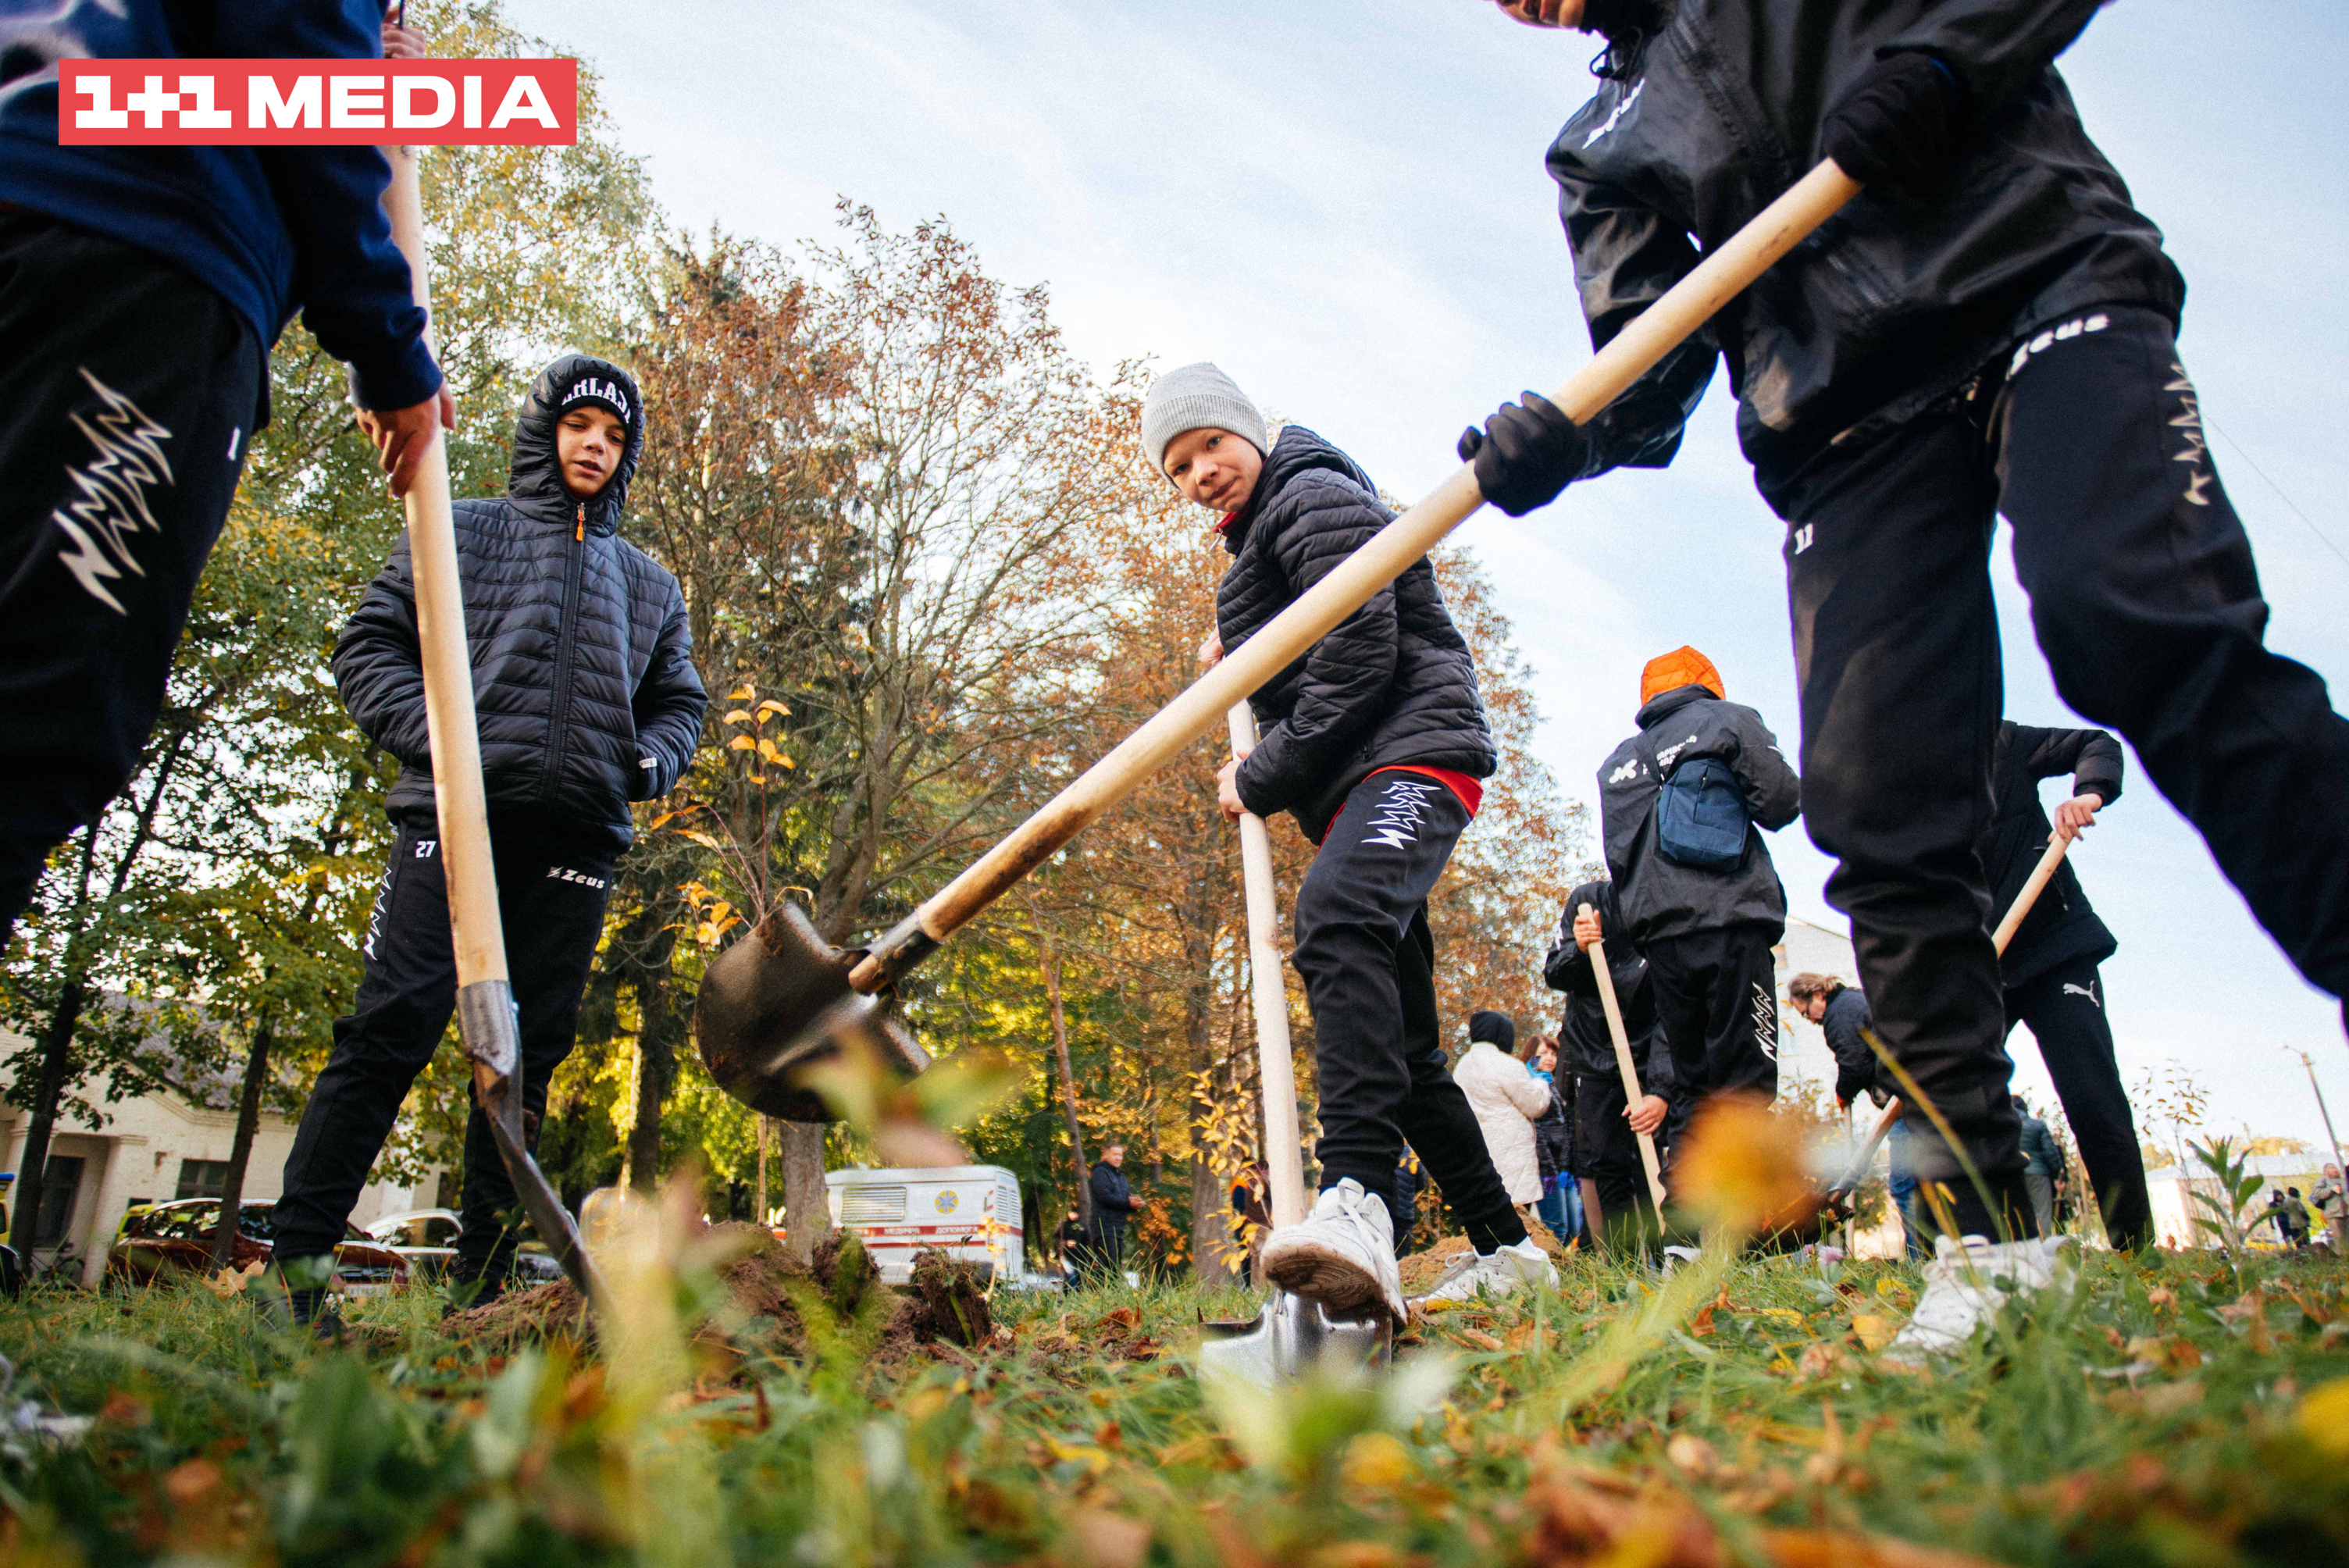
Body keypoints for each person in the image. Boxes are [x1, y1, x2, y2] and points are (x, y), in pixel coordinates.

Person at [1464, 1, 2349, 1271]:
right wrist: (1571, 432)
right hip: (1841, 419)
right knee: (1877, 796)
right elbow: (1648, 363)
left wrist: (1944, 61)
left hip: (2032, 270)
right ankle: (1982, 1241)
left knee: (2131, 622)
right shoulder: (1600, 142)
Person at [0, 0, 450, 955]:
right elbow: (299, 56)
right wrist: (388, 349)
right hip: (134, 257)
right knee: (38, 706)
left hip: (49, 177)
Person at [272, 355, 707, 1316]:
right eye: (579, 426)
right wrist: (439, 741)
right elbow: (368, 646)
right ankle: (293, 1280)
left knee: (525, 1059)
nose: (594, 446)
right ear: (544, 432)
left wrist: (645, 763)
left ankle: (481, 1294)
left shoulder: (650, 585)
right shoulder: (457, 528)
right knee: (389, 1031)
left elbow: (680, 701)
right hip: (455, 824)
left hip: (576, 842)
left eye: (615, 436)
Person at [1148, 362, 1552, 1322]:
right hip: (1361, 781)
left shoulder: (1310, 494)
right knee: (1405, 1053)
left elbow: (1360, 646)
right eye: (1178, 466)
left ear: (1250, 430)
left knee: (1333, 914)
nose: (1200, 472)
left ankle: (1358, 1195)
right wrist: (1245, 649)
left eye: (1211, 444)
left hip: (1411, 756)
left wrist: (1260, 773)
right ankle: (1507, 1250)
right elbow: (1308, 634)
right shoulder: (1264, 538)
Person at [1593, 647, 1799, 1109]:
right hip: (1729, 920)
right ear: (1707, 683)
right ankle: (1744, 1159)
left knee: (1694, 1090)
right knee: (1745, 1082)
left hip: (1659, 937)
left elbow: (1619, 860)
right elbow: (1780, 801)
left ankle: (1692, 1160)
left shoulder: (1617, 763)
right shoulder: (1726, 720)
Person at [1977, 722, 2152, 1249]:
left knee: (2092, 1097)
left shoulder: (1999, 742)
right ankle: (2013, 1250)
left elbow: (2096, 744)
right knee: (1967, 1104)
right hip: (1981, 970)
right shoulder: (1906, 791)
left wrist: (2088, 793)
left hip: (2056, 951)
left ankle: (2135, 1245)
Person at [1544, 878, 1678, 1253]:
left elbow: (1674, 1012)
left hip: (1649, 1053)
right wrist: (1579, 948)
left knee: (1651, 1159)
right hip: (1594, 1052)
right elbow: (1555, 973)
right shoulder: (1587, 902)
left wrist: (1661, 1092)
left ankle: (1666, 1256)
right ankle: (1625, 1266)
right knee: (1606, 1161)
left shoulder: (1665, 904)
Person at [1789, 971, 1925, 1260]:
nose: (1810, 1020)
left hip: (1907, 1103)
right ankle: (1930, 1256)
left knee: (1905, 1185)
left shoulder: (1838, 1013)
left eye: (1806, 1012)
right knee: (1924, 1182)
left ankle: (1921, 1261)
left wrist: (1843, 1092)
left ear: (1817, 994)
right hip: (1915, 1096)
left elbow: (1853, 1062)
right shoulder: (1854, 1000)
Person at [1453, 1011, 1552, 1217]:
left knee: (1488, 1216)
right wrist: (1540, 1082)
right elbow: (1536, 1105)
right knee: (1519, 1217)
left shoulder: (1462, 1066)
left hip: (1478, 1153)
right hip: (1512, 1155)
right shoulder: (1507, 1064)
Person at [1527, 1036, 1581, 1243]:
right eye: (1543, 1054)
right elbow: (1537, 1132)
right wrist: (1549, 1170)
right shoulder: (1532, 1085)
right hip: (1546, 1168)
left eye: (1553, 1054)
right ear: (1531, 1056)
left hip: (1562, 1166)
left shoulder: (1552, 1085)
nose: (1550, 1058)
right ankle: (1549, 1264)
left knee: (1574, 1229)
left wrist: (1568, 1167)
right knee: (1557, 1229)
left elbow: (1564, 1129)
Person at [1086, 1142, 1135, 1282]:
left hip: (1118, 1227)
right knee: (1108, 1266)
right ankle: (1101, 1293)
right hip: (1104, 1226)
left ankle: (1112, 1293)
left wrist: (1134, 1204)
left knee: (1116, 1267)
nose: (1118, 1158)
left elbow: (1125, 1199)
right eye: (1115, 1154)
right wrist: (1128, 1203)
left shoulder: (1121, 1176)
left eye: (1120, 1155)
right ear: (1105, 1154)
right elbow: (1105, 1197)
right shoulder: (1100, 1173)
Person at [2014, 1097, 2062, 1238]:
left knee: (2018, 1214)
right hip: (2038, 1174)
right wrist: (2058, 1175)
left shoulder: (2004, 1126)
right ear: (2025, 1109)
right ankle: (2043, 1246)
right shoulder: (2038, 1125)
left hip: (2014, 1174)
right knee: (2042, 1213)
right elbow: (2051, 1153)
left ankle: (2023, 1247)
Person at [1229, 1159, 1272, 1284]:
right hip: (1248, 1225)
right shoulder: (1246, 1183)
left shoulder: (1245, 1182)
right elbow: (1239, 1205)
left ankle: (1250, 1285)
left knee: (1251, 1258)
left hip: (1246, 1224)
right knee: (1251, 1258)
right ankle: (1251, 1285)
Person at [2313, 1164, 2348, 1254]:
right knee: (2339, 1238)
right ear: (2326, 1171)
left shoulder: (2343, 1180)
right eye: (2331, 1168)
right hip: (2333, 1213)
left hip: (2347, 1212)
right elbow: (2317, 1193)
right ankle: (2343, 1257)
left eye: (2335, 1167)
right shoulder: (2323, 1180)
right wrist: (2331, 1189)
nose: (2334, 1170)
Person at [1051, 1206, 1087, 1281]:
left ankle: (1071, 1288)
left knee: (1077, 1276)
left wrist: (1080, 1247)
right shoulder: (1063, 1225)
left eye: (1076, 1213)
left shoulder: (1083, 1226)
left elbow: (1087, 1241)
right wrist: (1066, 1243)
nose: (1074, 1215)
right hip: (1065, 1254)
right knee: (1071, 1274)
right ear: (1068, 1213)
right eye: (1072, 1213)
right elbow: (1055, 1239)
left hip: (1079, 1256)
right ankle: (1072, 1288)